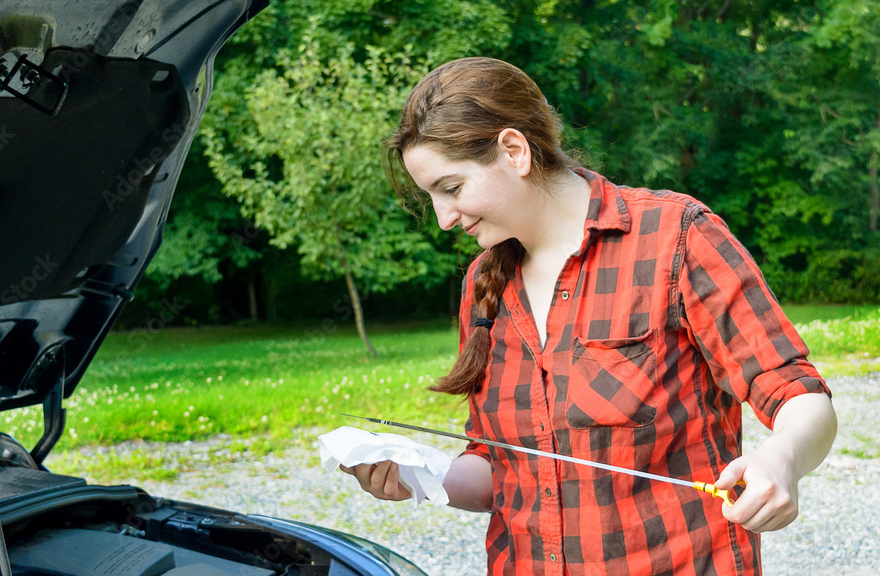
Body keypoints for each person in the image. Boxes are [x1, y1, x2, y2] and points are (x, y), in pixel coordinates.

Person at [341, 57, 837, 575]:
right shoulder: (481, 289)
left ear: (513, 151)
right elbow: (500, 467)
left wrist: (782, 459)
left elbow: (799, 395)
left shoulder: (677, 238)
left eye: (452, 188)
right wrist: (420, 476)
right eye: (432, 198)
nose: (444, 219)